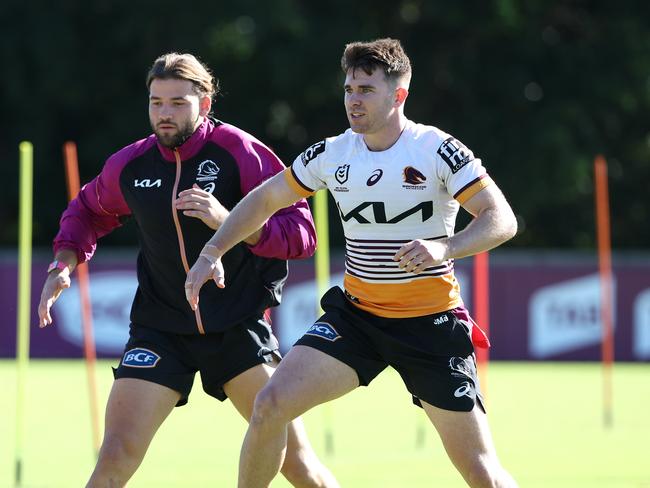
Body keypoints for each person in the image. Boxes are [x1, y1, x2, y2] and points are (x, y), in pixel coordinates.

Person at [185, 38, 519, 487]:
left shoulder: (436, 149)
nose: (353, 100)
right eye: (348, 89)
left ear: (398, 95)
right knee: (269, 405)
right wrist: (211, 252)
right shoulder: (334, 153)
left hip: (430, 325)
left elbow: (502, 219)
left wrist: (445, 247)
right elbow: (265, 199)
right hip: (358, 319)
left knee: (482, 474)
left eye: (365, 90)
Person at [37, 52, 339, 488]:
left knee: (299, 466)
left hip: (237, 326)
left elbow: (301, 233)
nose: (164, 113)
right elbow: (87, 211)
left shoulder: (241, 152)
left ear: (206, 102)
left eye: (178, 102)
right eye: (156, 102)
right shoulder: (132, 164)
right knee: (114, 457)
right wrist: (63, 263)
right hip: (160, 329)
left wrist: (230, 221)